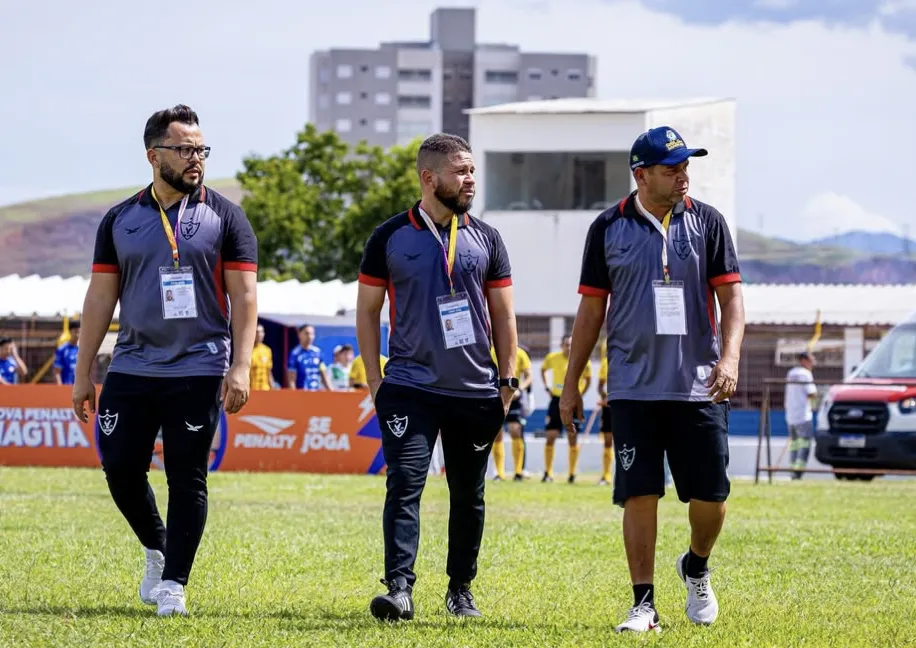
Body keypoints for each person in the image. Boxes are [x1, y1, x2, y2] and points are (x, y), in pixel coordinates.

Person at [71, 104, 259, 617]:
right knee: (119, 467)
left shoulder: (227, 217)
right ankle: (158, 548)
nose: (196, 158)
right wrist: (84, 372)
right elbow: (99, 298)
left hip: (199, 366)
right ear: (154, 156)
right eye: (184, 149)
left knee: (186, 474)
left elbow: (244, 297)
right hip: (131, 365)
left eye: (201, 149)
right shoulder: (119, 219)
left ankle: (174, 582)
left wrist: (240, 365)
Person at [559, 126, 745, 633]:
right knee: (639, 493)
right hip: (632, 387)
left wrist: (729, 359)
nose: (683, 176)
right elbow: (591, 310)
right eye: (671, 169)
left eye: (686, 167)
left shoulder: (709, 222)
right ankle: (643, 603)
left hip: (699, 386)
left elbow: (731, 299)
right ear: (641, 175)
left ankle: (696, 566)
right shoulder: (607, 227)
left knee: (711, 498)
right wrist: (572, 382)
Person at [356, 132, 516, 622]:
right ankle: (399, 589)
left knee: (469, 494)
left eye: (472, 171)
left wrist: (507, 381)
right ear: (429, 178)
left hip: (475, 390)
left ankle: (460, 590)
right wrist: (375, 380)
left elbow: (504, 315)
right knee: (405, 484)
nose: (470, 180)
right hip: (409, 387)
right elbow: (367, 311)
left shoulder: (487, 238)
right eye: (461, 171)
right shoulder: (388, 237)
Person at [541, 335, 591, 483]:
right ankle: (548, 473)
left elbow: (588, 379)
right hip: (556, 400)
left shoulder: (583, 359)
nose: (569, 347)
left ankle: (572, 473)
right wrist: (547, 387)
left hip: (573, 402)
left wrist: (579, 394)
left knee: (572, 437)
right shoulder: (552, 358)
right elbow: (543, 370)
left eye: (571, 344)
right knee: (551, 436)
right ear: (561, 346)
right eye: (566, 345)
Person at [490, 343, 532, 481]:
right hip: (495, 396)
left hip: (514, 398)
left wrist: (520, 389)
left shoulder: (520, 353)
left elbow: (529, 376)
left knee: (515, 430)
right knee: (497, 433)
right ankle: (499, 473)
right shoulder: (490, 352)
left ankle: (518, 472)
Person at [785, 351, 818, 479]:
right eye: (811, 360)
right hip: (803, 415)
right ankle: (798, 472)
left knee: (794, 444)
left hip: (790, 416)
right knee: (804, 444)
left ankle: (793, 469)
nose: (813, 363)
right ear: (803, 360)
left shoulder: (791, 373)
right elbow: (812, 393)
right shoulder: (806, 374)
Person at [287, 324, 332, 390]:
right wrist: (294, 395)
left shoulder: (317, 352)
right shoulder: (295, 354)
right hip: (301, 392)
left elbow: (324, 376)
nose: (310, 337)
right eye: (307, 333)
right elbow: (291, 380)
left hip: (315, 391)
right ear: (299, 334)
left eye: (312, 334)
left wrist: (331, 391)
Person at [596, 340, 613, 486]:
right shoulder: (605, 363)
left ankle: (624, 474)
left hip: (626, 405)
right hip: (609, 407)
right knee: (608, 440)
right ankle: (606, 475)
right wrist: (605, 397)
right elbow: (600, 386)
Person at [53, 321, 81, 385]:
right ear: (70, 332)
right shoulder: (62, 349)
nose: (77, 335)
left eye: (79, 332)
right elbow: (57, 371)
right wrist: (60, 387)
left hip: (78, 387)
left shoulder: (82, 350)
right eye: (75, 332)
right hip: (66, 386)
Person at [250, 324, 273, 391]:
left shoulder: (267, 350)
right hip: (252, 389)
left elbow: (269, 372)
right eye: (257, 332)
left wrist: (272, 388)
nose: (259, 334)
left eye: (261, 332)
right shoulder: (248, 351)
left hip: (265, 389)